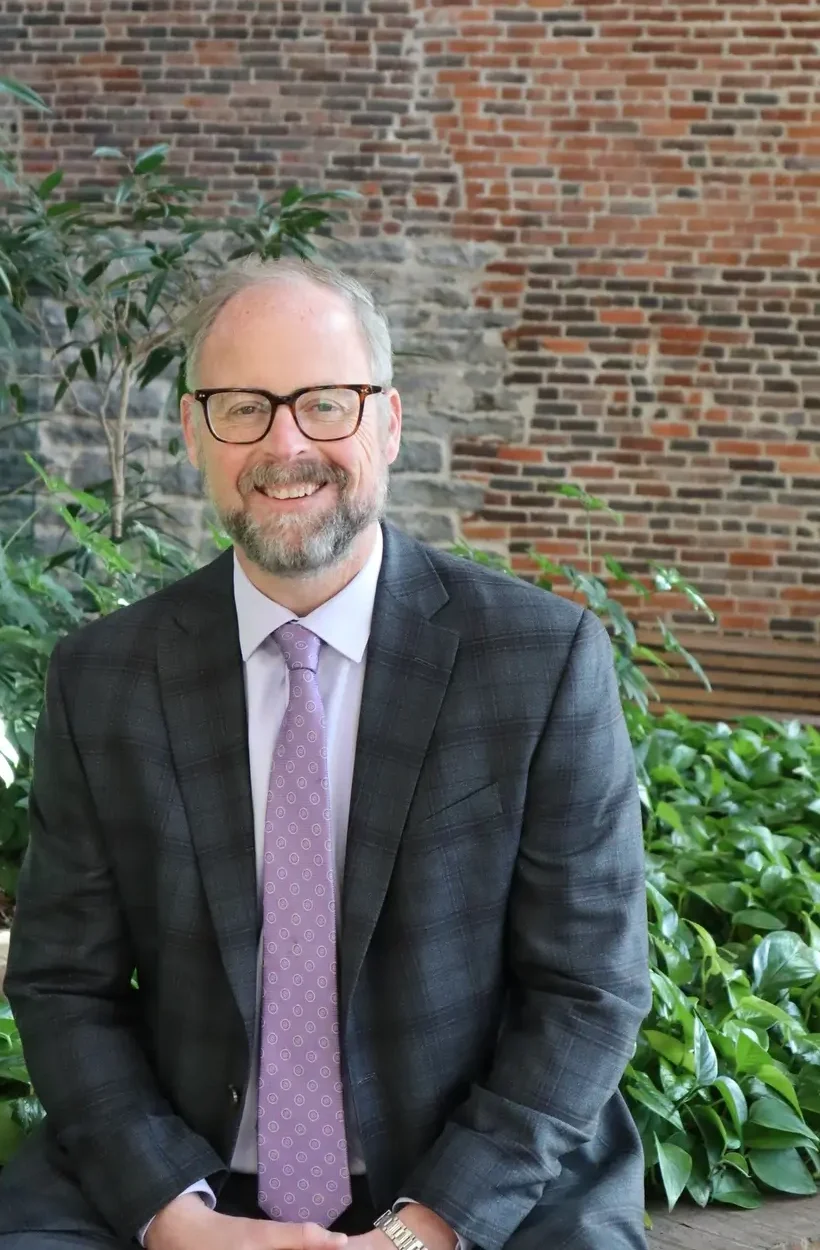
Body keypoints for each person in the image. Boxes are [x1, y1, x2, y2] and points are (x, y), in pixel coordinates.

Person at [0, 256, 652, 1250]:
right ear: (193, 432)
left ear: (387, 422)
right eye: (243, 407)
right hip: (184, 1170)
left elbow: (586, 988)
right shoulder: (107, 676)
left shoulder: (538, 661)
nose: (285, 443)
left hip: (476, 1181)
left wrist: (425, 1227)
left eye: (324, 403)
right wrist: (178, 1220)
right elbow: (63, 983)